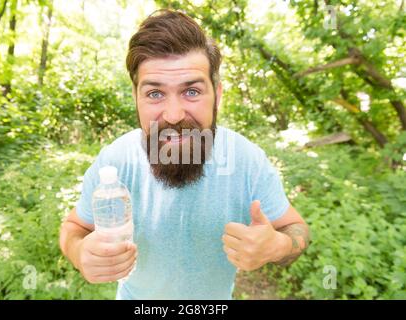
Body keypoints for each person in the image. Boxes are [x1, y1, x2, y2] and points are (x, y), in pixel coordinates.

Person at [59, 9, 310, 300]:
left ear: (218, 95)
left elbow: (297, 229)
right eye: (155, 94)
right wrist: (78, 252)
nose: (174, 115)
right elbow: (74, 226)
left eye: (191, 91)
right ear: (136, 98)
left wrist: (278, 246)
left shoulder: (247, 160)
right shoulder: (115, 161)